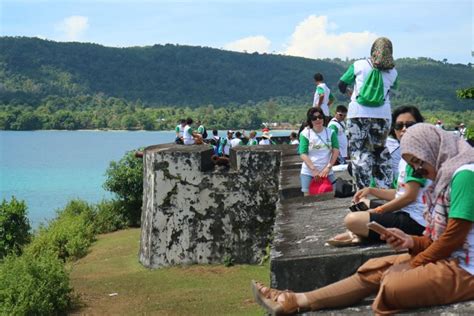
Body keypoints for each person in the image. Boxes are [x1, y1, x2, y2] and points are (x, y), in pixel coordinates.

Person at [252, 123, 474, 315]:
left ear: (433, 149)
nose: (418, 169)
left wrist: (414, 263)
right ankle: (298, 300)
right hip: (451, 258)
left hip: (467, 268)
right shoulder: (443, 178)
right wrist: (411, 242)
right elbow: (440, 240)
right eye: (413, 164)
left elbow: (453, 240)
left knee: (393, 284)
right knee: (373, 268)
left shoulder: (464, 176)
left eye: (419, 161)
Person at [327, 105, 427, 246]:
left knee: (352, 220)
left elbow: (409, 197)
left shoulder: (417, 156)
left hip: (417, 221)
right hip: (406, 212)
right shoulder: (406, 156)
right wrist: (371, 190)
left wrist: (379, 210)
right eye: (399, 126)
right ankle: (361, 233)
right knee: (362, 204)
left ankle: (359, 233)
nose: (404, 129)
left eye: (410, 125)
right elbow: (400, 193)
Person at [338, 37, 398, 190]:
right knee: (380, 151)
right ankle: (384, 190)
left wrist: (350, 92)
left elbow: (341, 84)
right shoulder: (393, 72)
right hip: (383, 116)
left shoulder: (358, 65)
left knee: (360, 153)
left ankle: (362, 192)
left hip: (358, 113)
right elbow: (392, 87)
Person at [298, 107, 339, 196]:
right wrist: (313, 170)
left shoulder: (330, 132)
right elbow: (303, 153)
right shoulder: (305, 133)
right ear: (310, 120)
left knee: (334, 194)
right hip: (309, 172)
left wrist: (328, 167)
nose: (318, 120)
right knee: (308, 197)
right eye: (314, 118)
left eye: (320, 117)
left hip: (327, 171)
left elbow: (335, 150)